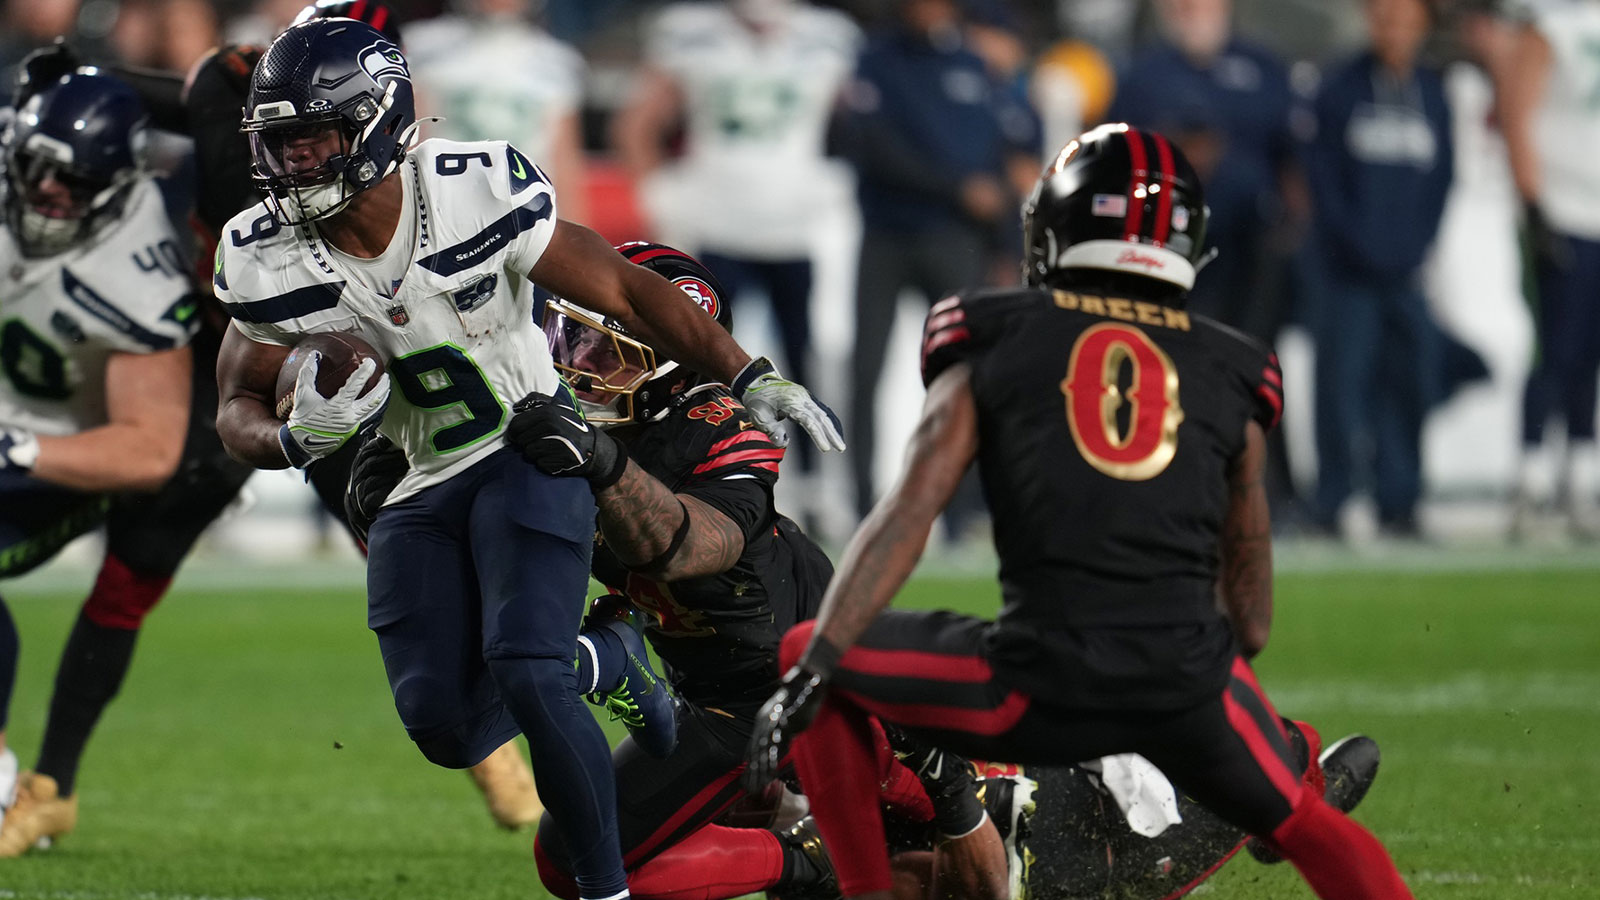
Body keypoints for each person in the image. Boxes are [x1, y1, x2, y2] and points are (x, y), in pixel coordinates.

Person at [212, 20, 842, 900]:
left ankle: (603, 890)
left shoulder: (472, 188)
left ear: (378, 122)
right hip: (421, 475)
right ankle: (609, 663)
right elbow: (233, 402)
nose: (287, 163)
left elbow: (624, 287)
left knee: (529, 670)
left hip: (527, 445)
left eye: (308, 137)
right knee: (441, 723)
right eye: (273, 143)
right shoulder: (262, 252)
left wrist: (750, 373)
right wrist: (288, 441)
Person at [744, 124, 1415, 899]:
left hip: (1040, 683)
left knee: (806, 650)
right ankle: (1254, 773)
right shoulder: (1238, 366)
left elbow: (910, 512)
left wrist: (819, 664)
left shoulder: (988, 331)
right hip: (1184, 683)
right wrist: (1196, 692)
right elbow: (1254, 621)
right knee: (1306, 823)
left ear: (1057, 228)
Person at [346, 241, 1026, 900]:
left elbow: (689, 546)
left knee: (955, 825)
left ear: (670, 366)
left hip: (814, 687)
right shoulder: (541, 413)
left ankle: (977, 811)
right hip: (706, 697)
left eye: (604, 351)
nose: (571, 364)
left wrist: (600, 462)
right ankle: (805, 850)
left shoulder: (720, 424)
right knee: (570, 858)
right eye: (566, 337)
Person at [0, 72, 194, 850]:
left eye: (73, 181)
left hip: (52, 453)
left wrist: (15, 447)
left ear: (117, 186)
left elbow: (149, 449)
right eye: (37, 169)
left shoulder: (135, 271)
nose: (47, 191)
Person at [613, 0, 862, 501]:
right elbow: (636, 124)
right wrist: (655, 193)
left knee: (805, 352)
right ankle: (714, 467)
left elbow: (867, 122)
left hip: (797, 224)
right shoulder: (691, 31)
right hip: (717, 219)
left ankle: (814, 484)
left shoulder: (829, 36)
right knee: (707, 352)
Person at [838, 0, 1040, 527]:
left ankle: (964, 507)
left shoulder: (973, 65)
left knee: (965, 372)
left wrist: (1004, 246)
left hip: (955, 240)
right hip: (887, 234)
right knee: (867, 369)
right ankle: (862, 503)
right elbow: (873, 148)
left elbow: (1002, 158)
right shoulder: (876, 58)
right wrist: (955, 188)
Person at [1302, 0, 1453, 539]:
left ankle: (1401, 499)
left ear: (1421, 26)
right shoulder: (1339, 86)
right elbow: (1321, 177)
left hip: (1407, 269)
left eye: (1404, 18)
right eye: (1384, 16)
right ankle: (1334, 500)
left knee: (1410, 383)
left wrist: (1418, 245)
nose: (1393, 29)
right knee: (1342, 385)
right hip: (1347, 271)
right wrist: (1354, 244)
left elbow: (1442, 178)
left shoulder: (1434, 92)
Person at [1498, 0, 1600, 538]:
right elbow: (1517, 109)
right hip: (1561, 209)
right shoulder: (1548, 24)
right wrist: (1533, 204)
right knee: (1555, 350)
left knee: (1590, 356)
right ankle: (1531, 476)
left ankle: (1581, 475)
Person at [404, 0, 589, 224]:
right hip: (438, 211)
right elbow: (405, 140)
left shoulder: (557, 61)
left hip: (522, 218)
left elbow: (565, 167)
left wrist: (576, 239)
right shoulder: (419, 46)